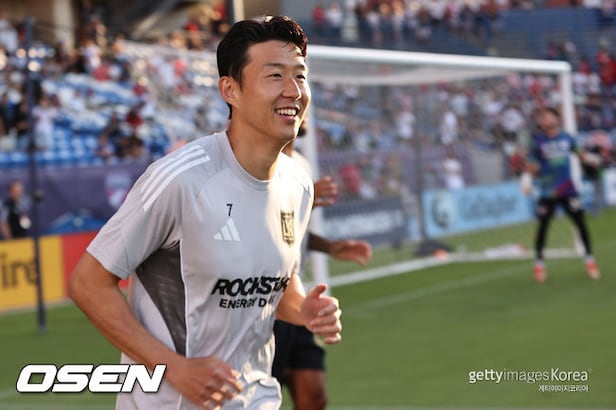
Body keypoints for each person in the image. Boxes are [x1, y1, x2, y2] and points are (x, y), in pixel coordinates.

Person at [68, 16, 342, 410]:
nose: (293, 90)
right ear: (230, 90)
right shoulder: (180, 180)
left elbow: (276, 287)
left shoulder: (298, 183)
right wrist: (174, 368)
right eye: (275, 75)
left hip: (257, 400)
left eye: (300, 75)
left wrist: (305, 310)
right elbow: (87, 283)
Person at [272, 128, 373, 410]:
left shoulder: (301, 165)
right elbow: (255, 225)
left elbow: (291, 230)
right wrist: (298, 202)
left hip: (295, 294)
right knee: (260, 398)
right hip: (261, 303)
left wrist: (329, 247)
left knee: (314, 396)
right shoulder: (254, 165)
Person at [524, 107, 600, 283]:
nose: (544, 119)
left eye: (547, 116)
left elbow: (581, 156)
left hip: (568, 190)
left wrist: (593, 160)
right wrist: (529, 175)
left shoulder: (567, 138)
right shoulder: (536, 141)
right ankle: (539, 265)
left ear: (556, 119)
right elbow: (531, 167)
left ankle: (590, 262)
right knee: (543, 228)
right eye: (542, 117)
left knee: (581, 224)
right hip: (547, 192)